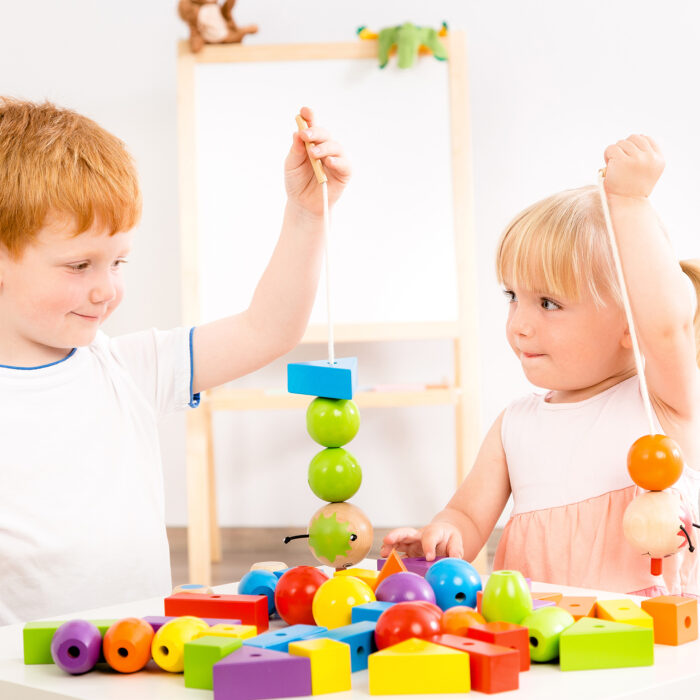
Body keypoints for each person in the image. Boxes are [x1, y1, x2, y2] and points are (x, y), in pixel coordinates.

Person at [0, 98, 350, 624]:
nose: (106, 290)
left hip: (138, 656)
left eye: (117, 261)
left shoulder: (128, 369)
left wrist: (307, 214)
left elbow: (267, 329)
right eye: (79, 265)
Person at [382, 135, 700, 596]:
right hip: (544, 640)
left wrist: (629, 202)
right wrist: (444, 536)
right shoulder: (515, 425)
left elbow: (666, 323)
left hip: (654, 652)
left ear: (631, 322)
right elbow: (469, 515)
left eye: (549, 303)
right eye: (513, 297)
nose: (519, 326)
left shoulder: (663, 405)